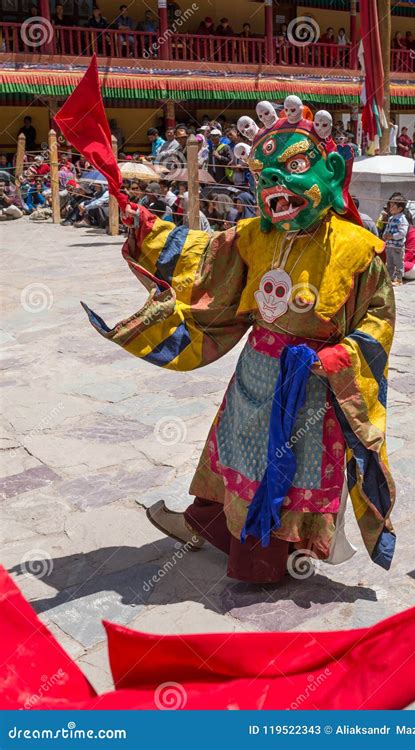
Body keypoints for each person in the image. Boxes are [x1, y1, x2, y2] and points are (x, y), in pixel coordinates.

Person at [84, 104, 397, 584]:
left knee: (292, 470)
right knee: (234, 453)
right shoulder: (254, 236)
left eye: (294, 167)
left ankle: (266, 561)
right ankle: (209, 525)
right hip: (255, 371)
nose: (276, 182)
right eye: (264, 173)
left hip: (310, 385)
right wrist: (143, 223)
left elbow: (378, 320)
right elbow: (201, 255)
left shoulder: (359, 249)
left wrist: (340, 356)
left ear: (330, 172)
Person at [382, 193, 409, 285]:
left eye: (393, 205)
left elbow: (402, 233)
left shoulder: (402, 220)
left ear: (400, 208)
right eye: (390, 205)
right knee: (389, 263)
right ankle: (390, 278)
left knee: (398, 263)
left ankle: (399, 279)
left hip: (397, 247)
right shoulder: (391, 218)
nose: (390, 207)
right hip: (389, 245)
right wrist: (385, 235)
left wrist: (392, 236)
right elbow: (387, 228)